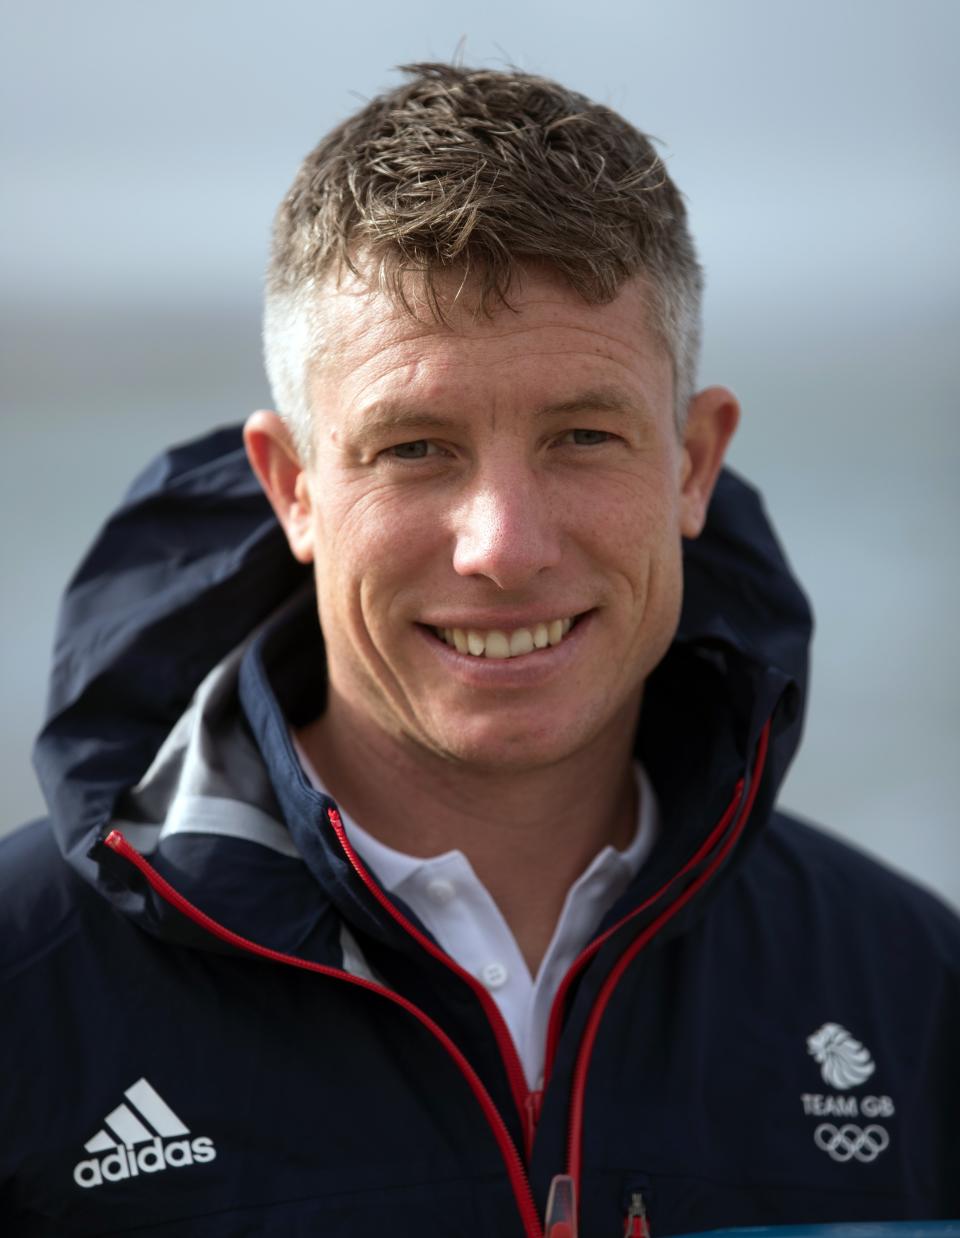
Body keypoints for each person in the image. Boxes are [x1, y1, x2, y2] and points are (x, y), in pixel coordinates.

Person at [1, 63, 957, 1238]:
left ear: (694, 463)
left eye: (584, 434)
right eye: (414, 447)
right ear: (292, 488)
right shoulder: (22, 985)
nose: (503, 545)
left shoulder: (913, 992)